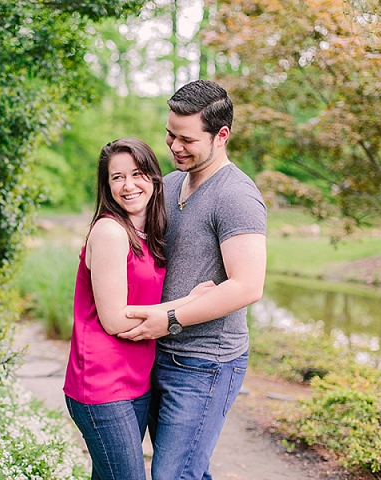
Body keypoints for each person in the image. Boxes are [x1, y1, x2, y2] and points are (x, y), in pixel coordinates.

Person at [118, 80, 268, 480]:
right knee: (186, 470)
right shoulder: (167, 184)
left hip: (205, 362)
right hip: (155, 353)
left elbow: (248, 285)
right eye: (170, 134)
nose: (174, 146)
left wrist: (170, 318)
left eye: (187, 139)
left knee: (173, 474)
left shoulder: (237, 196)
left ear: (221, 136)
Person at [63, 138, 210, 480]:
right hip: (101, 384)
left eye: (138, 174)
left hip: (137, 381)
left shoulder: (147, 233)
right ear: (107, 185)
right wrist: (189, 303)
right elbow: (115, 320)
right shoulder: (110, 232)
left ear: (154, 178)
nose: (128, 185)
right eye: (117, 177)